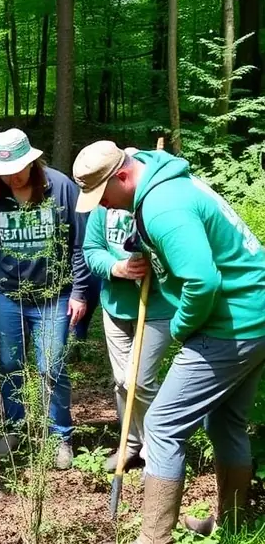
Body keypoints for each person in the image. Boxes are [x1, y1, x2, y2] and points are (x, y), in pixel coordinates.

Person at [73, 141, 265, 544]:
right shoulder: (166, 183)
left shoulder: (163, 206)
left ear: (123, 176)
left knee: (161, 424)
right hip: (255, 316)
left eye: (103, 194)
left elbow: (201, 280)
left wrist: (181, 328)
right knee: (227, 420)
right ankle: (233, 522)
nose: (103, 205)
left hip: (230, 323)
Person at [0, 129, 89, 470]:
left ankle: (60, 437)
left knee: (52, 366)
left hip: (54, 296)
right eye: (3, 171)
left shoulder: (61, 188)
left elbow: (80, 243)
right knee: (9, 364)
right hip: (6, 294)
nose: (12, 177)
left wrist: (81, 291)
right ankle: (14, 428)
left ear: (32, 161)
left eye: (18, 169)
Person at [83, 199, 174, 471]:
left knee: (140, 380)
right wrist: (116, 267)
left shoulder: (159, 203)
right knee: (122, 381)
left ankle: (156, 449)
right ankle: (130, 444)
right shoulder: (103, 205)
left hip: (157, 305)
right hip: (116, 305)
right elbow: (92, 249)